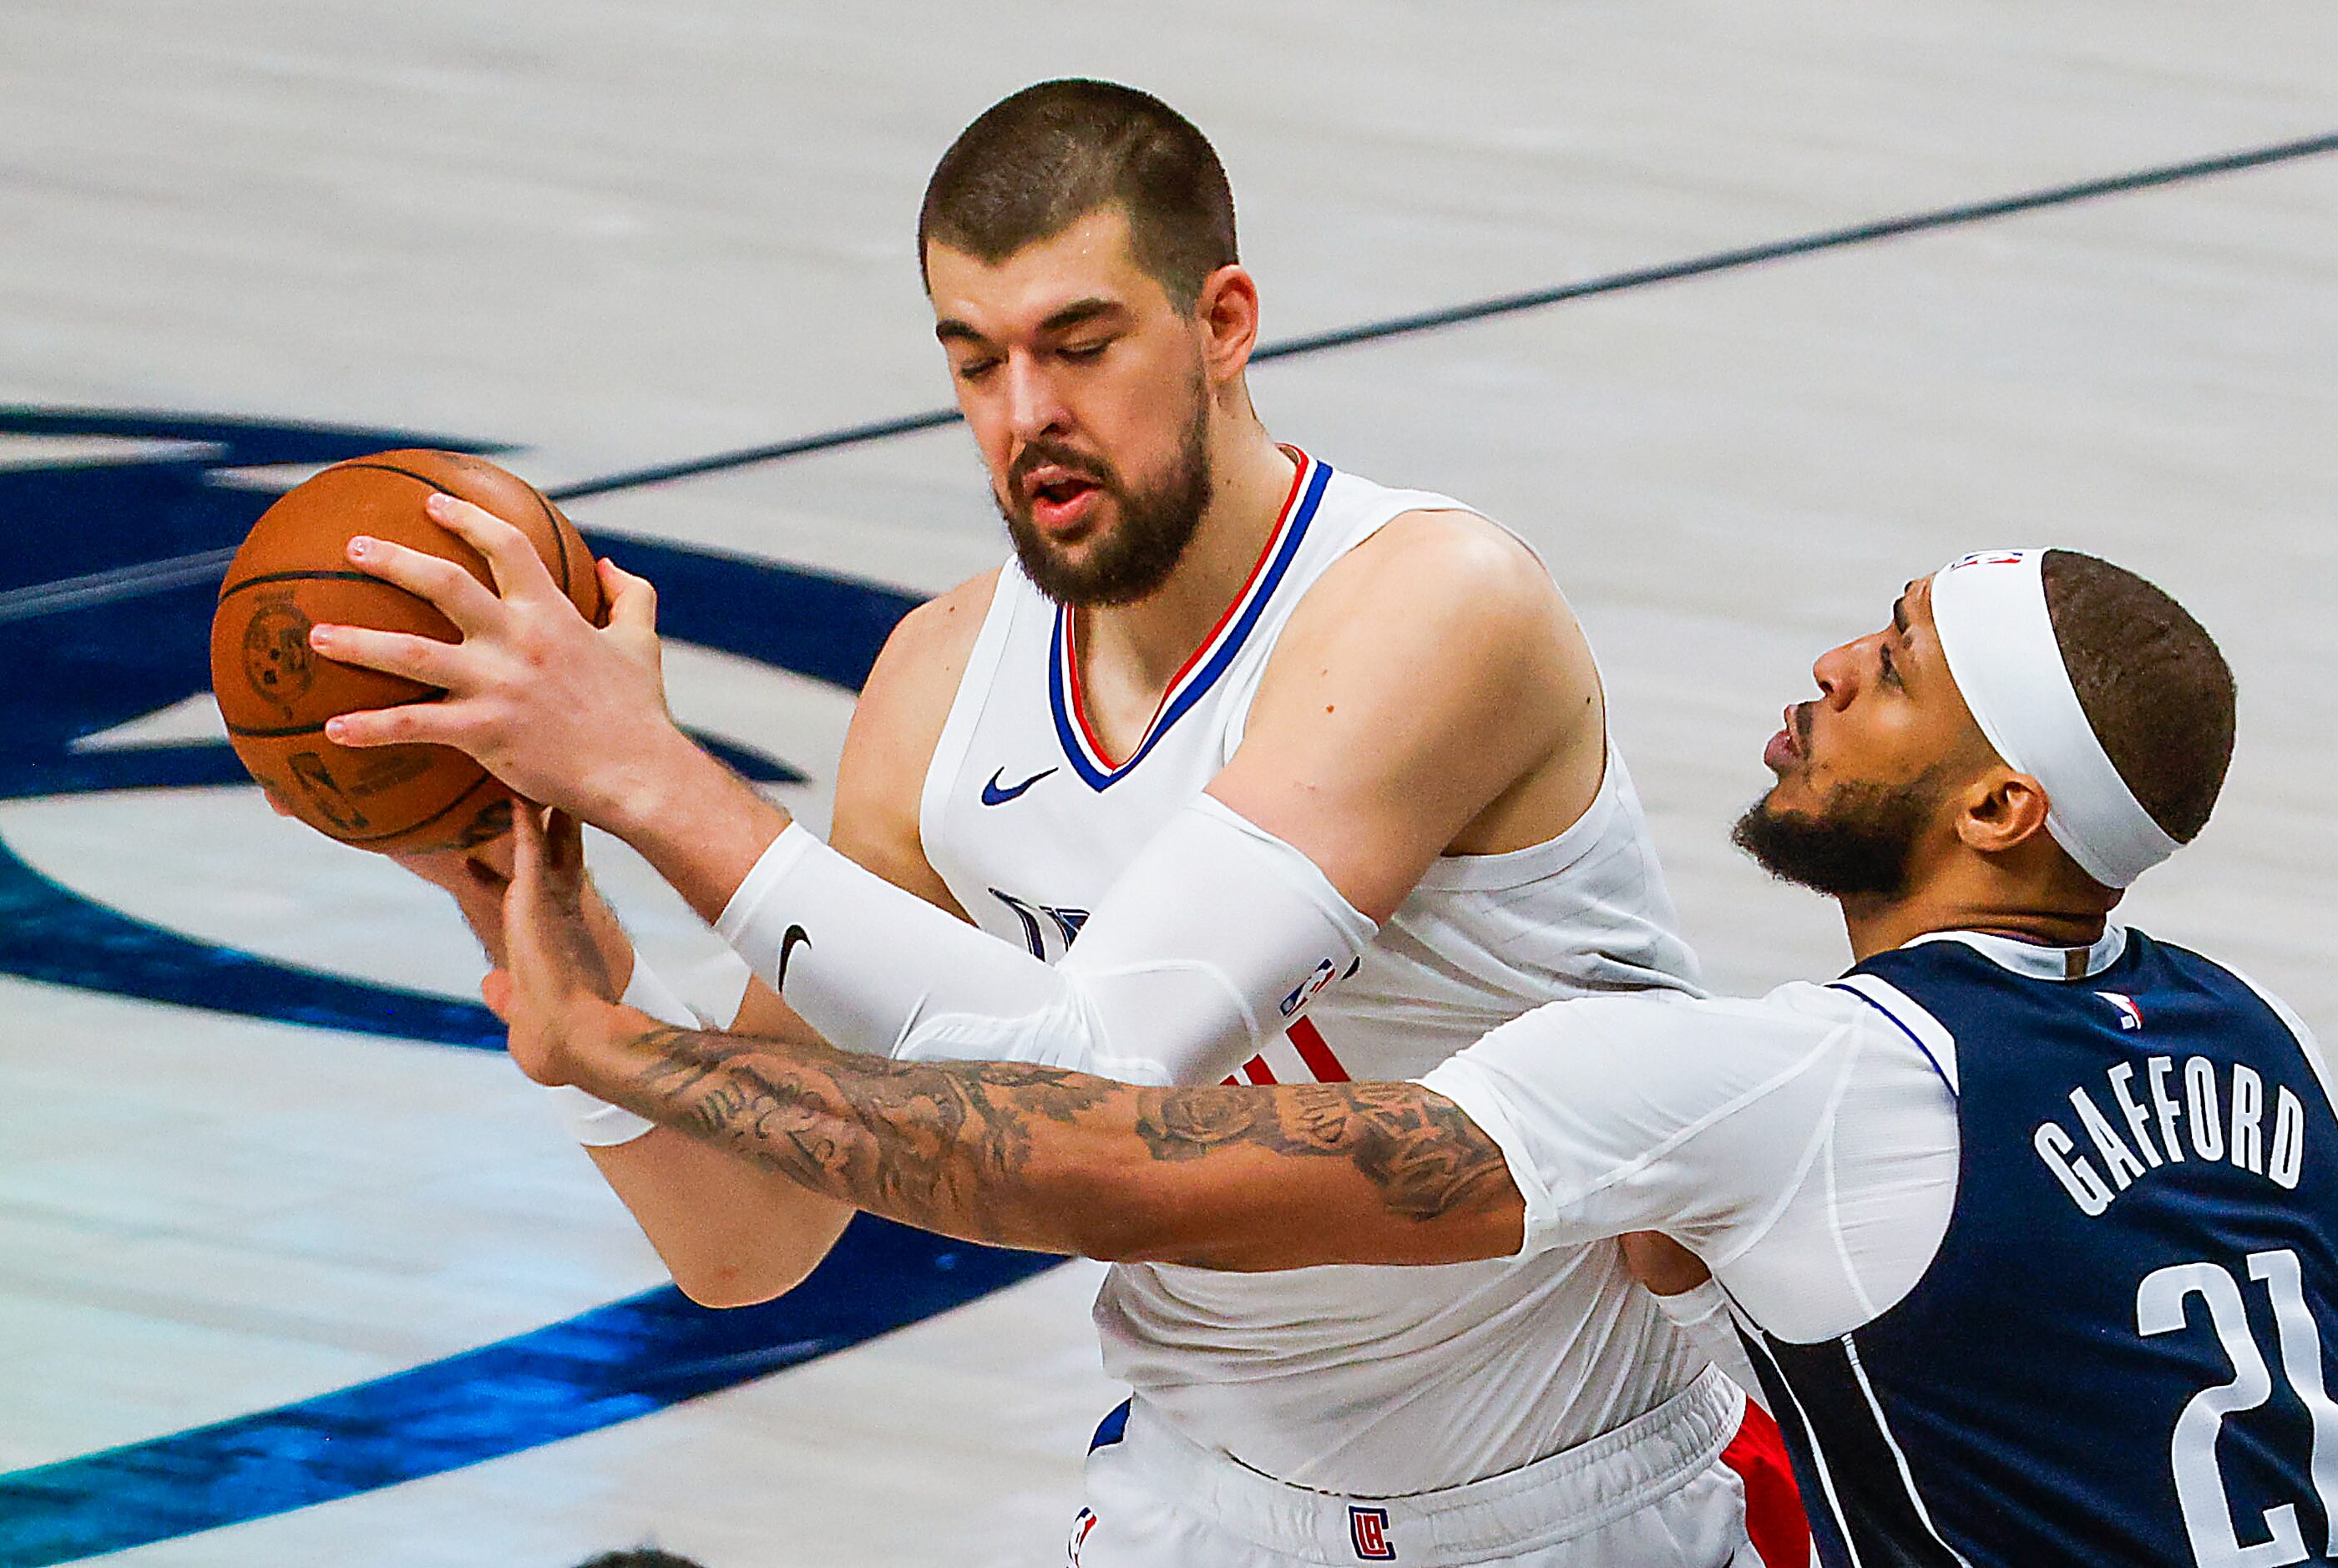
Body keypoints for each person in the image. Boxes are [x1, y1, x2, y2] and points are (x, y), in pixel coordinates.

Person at [314, 80, 1798, 1567]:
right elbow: (744, 1240)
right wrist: (534, 913)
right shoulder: (940, 687)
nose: (1026, 418)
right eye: (975, 364)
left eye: (1078, 347)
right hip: (1194, 1502)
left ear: (1222, 322)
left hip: (1575, 1503)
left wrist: (649, 775)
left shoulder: (1432, 605)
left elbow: (1112, 1072)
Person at [490, 545, 2338, 1568]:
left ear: (2002, 802)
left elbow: (1099, 1159)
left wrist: (619, 1040)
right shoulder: (2250, 1046)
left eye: (1884, 674)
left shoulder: (1785, 1087)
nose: (1818, 674)